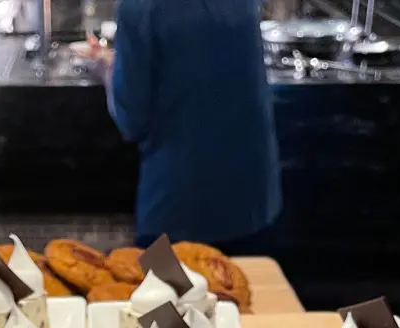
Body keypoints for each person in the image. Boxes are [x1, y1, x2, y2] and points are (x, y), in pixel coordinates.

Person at [108, 0, 281, 250]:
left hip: (175, 205)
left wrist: (107, 71)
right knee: (246, 275)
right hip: (255, 199)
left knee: (160, 274)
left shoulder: (138, 7)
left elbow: (131, 121)